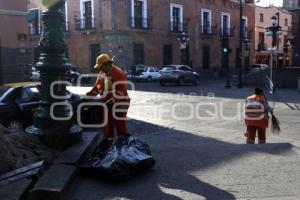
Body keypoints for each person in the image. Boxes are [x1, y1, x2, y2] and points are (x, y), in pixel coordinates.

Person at [86, 53, 130, 149]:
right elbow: (96, 88)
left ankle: (124, 147)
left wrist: (112, 101)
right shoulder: (102, 74)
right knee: (107, 125)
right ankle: (108, 145)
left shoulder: (118, 73)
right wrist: (87, 97)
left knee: (120, 126)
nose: (99, 69)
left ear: (107, 64)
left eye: (101, 67)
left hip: (119, 104)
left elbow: (121, 91)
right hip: (108, 104)